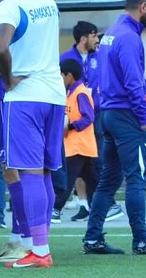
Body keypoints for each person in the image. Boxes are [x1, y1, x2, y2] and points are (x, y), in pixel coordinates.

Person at [0, 0, 65, 268]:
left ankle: (39, 250)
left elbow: (1, 48)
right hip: (54, 94)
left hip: (25, 98)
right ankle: (40, 244)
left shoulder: (9, 5)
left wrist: (7, 80)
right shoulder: (47, 2)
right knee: (44, 172)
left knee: (30, 173)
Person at [83, 0, 146, 255]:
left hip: (109, 114)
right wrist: (143, 118)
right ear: (143, 7)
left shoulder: (111, 32)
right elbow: (134, 82)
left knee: (108, 180)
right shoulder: (130, 38)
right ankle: (142, 240)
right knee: (136, 179)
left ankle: (92, 238)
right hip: (126, 115)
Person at [52, 59, 98, 223]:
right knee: (92, 179)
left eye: (61, 76)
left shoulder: (81, 92)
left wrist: (71, 126)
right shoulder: (70, 92)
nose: (60, 79)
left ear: (69, 75)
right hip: (75, 145)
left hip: (79, 145)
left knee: (67, 179)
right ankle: (109, 205)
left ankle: (56, 209)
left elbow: (89, 117)